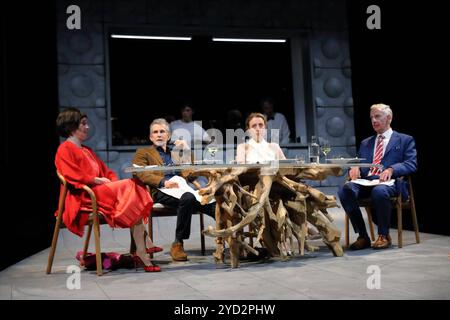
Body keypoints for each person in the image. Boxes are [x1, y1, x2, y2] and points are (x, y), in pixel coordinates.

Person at [55, 108, 160, 272]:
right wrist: (95, 180)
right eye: (83, 124)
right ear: (71, 127)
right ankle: (144, 244)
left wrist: (111, 182)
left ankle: (141, 249)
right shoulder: (65, 149)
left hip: (99, 193)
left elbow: (106, 172)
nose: (87, 127)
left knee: (134, 189)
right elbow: (71, 175)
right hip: (84, 196)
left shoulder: (86, 150)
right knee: (133, 186)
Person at [132, 118, 216, 261]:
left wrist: (187, 150)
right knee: (189, 197)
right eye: (155, 132)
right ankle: (178, 243)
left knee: (213, 203)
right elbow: (140, 172)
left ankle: (230, 238)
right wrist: (163, 181)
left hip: (182, 188)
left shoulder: (176, 152)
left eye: (162, 132)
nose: (159, 135)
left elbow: (191, 174)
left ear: (168, 136)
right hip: (161, 190)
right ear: (151, 137)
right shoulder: (143, 152)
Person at [338, 103, 417, 250]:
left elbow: (411, 164)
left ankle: (383, 235)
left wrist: (392, 169)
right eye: (371, 117)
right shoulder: (366, 142)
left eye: (377, 116)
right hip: (367, 181)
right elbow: (360, 161)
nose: (373, 120)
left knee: (379, 191)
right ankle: (363, 236)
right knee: (345, 190)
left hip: (390, 183)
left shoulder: (405, 140)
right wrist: (354, 167)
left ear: (389, 118)